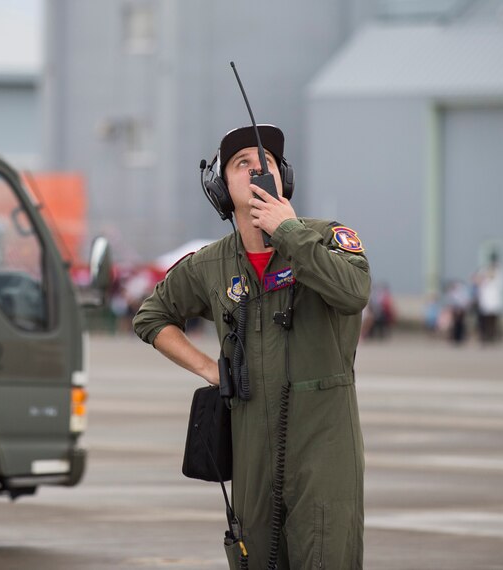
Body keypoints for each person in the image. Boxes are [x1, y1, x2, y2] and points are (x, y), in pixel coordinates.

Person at [133, 125, 370, 569]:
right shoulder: (211, 263)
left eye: (268, 163)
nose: (258, 170)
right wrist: (210, 369)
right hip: (251, 455)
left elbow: (354, 292)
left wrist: (290, 232)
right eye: (242, 163)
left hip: (324, 453)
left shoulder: (326, 237)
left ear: (284, 179)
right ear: (221, 188)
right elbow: (151, 316)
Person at [474, 251, 503, 344]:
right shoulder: (484, 269)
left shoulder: (500, 270)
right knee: (484, 319)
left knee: (494, 319)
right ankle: (485, 336)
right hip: (485, 298)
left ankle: (493, 337)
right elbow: (478, 280)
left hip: (495, 297)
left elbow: (501, 283)